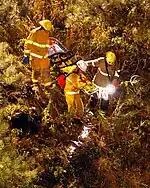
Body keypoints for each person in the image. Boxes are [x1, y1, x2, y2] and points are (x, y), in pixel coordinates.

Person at [23, 19, 53, 92]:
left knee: (46, 71)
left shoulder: (46, 33)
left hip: (44, 57)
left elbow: (45, 45)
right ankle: (35, 84)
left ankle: (48, 85)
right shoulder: (34, 32)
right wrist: (26, 55)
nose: (47, 31)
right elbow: (28, 43)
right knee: (36, 70)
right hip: (35, 56)